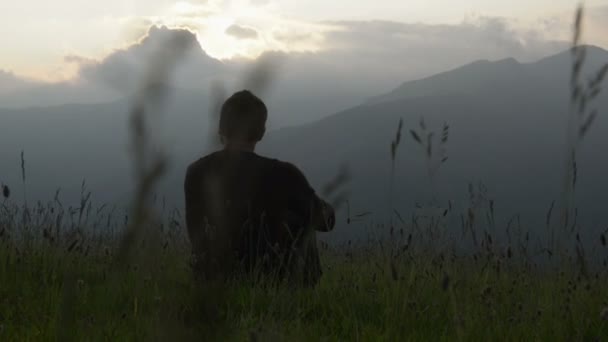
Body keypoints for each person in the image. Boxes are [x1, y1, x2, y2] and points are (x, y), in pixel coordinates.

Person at [184, 90, 335, 286]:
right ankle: (301, 293)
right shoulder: (285, 174)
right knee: (306, 219)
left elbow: (195, 235)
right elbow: (326, 221)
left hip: (213, 283)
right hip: (276, 286)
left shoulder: (196, 172)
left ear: (220, 129)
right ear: (262, 132)